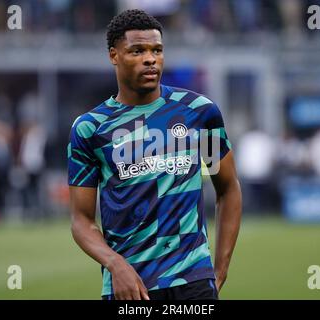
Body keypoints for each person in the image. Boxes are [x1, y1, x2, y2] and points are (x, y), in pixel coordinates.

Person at [68, 9, 242, 300]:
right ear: (114, 55)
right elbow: (82, 221)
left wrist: (220, 268)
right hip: (129, 286)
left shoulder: (199, 112)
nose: (150, 58)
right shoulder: (90, 128)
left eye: (157, 50)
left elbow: (228, 188)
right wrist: (115, 264)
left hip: (193, 280)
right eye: (137, 50)